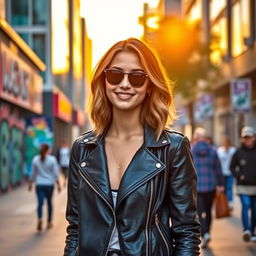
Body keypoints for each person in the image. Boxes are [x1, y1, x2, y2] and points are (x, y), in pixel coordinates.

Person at [64, 38, 200, 256]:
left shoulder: (172, 148)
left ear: (149, 86)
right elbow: (76, 228)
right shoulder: (82, 148)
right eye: (115, 75)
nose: (124, 84)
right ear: (104, 80)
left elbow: (186, 231)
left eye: (137, 78)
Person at [191, 127, 224, 249]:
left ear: (196, 138)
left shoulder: (191, 150)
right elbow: (218, 168)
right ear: (205, 138)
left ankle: (204, 233)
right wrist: (221, 184)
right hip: (211, 185)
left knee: (199, 212)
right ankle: (208, 232)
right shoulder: (213, 150)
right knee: (209, 211)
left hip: (197, 186)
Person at [230, 126, 256, 242]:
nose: (247, 139)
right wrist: (238, 175)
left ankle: (252, 230)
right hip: (242, 186)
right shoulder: (238, 152)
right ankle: (246, 230)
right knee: (246, 206)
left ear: (254, 137)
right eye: (245, 137)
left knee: (255, 209)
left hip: (255, 186)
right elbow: (231, 167)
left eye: (249, 137)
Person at [28, 143, 61, 231]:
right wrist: (58, 184)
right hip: (49, 184)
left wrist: (30, 184)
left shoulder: (35, 159)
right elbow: (55, 173)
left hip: (39, 184)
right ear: (48, 150)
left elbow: (33, 173)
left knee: (40, 203)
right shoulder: (52, 159)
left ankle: (40, 219)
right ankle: (49, 222)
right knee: (49, 203)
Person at [217, 135, 236, 210]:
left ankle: (230, 204)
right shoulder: (219, 150)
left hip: (230, 173)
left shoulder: (233, 150)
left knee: (229, 188)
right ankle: (225, 204)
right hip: (222, 173)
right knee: (223, 189)